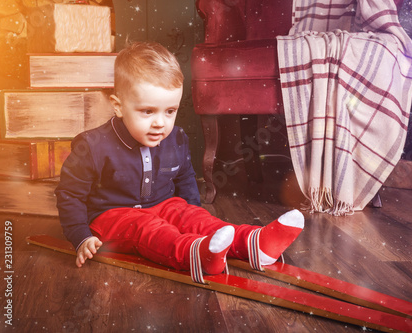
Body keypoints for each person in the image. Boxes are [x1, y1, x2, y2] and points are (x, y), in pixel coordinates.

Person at [55, 41, 304, 280]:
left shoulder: (176, 138)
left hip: (163, 205)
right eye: (147, 111)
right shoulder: (92, 146)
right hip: (112, 218)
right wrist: (81, 236)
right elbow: (70, 194)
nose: (160, 123)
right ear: (118, 107)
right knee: (148, 228)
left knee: (196, 219)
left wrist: (191, 212)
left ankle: (252, 243)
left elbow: (185, 178)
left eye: (170, 111)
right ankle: (195, 254)